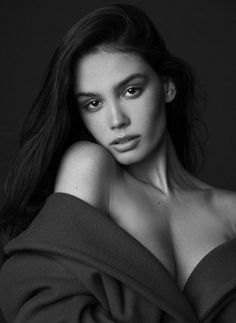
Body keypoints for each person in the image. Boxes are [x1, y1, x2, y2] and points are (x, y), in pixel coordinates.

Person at [0, 3, 236, 322]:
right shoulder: (90, 167)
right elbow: (41, 301)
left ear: (167, 86)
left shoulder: (231, 213)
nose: (116, 120)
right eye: (94, 103)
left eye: (130, 90)